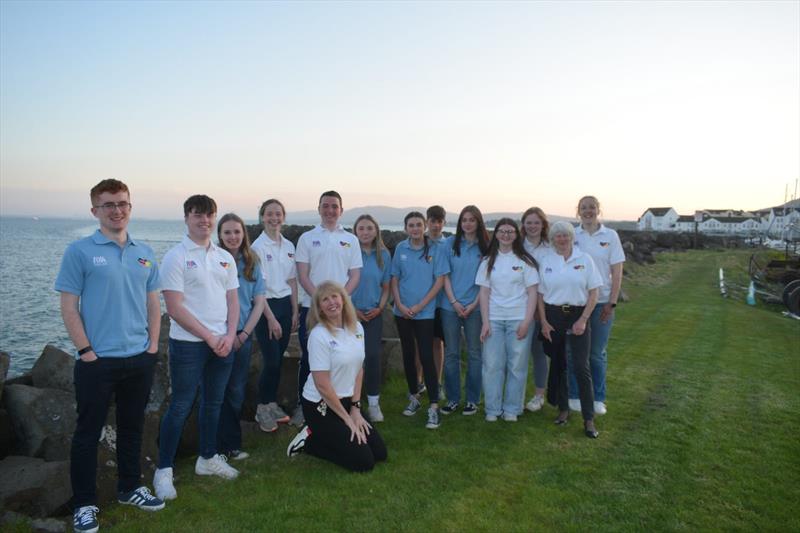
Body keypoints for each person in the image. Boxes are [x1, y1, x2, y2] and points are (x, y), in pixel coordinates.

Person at [56, 179, 164, 533]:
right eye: (108, 205)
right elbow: (69, 307)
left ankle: (130, 488)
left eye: (122, 203)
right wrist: (86, 351)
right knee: (87, 434)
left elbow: (153, 302)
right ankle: (85, 505)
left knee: (133, 428)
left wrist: (152, 347)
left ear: (130, 207)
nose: (117, 210)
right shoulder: (80, 251)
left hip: (138, 358)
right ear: (95, 211)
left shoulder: (144, 251)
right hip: (97, 361)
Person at [154, 195, 241, 501]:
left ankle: (207, 458)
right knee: (181, 405)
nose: (204, 220)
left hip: (223, 343)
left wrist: (230, 335)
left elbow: (232, 300)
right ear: (187, 218)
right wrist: (209, 336)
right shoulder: (175, 257)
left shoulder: (224, 257)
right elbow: (175, 308)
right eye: (198, 215)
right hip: (189, 345)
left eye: (209, 215)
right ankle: (163, 470)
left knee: (213, 403)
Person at [286, 282, 387, 471]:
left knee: (380, 453)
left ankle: (329, 433)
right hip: (321, 405)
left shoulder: (357, 328)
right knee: (364, 462)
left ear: (343, 299)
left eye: (334, 296)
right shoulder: (318, 336)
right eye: (325, 299)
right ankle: (309, 441)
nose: (331, 302)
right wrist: (347, 420)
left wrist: (355, 409)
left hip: (347, 400)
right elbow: (322, 385)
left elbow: (359, 369)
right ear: (320, 308)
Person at [294, 191, 362, 426]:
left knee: (344, 357)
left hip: (342, 311)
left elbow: (355, 275)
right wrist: (321, 301)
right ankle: (305, 407)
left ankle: (343, 405)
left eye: (334, 206)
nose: (330, 210)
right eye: (326, 206)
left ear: (341, 210)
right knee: (311, 359)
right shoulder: (306, 238)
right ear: (319, 208)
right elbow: (303, 275)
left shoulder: (351, 240)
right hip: (311, 309)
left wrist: (337, 301)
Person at [538, 221, 602, 438]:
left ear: (572, 237)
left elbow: (594, 292)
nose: (562, 239)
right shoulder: (547, 261)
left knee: (581, 367)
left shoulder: (585, 259)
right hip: (553, 315)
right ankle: (563, 409)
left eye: (566, 235)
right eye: (558, 236)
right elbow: (539, 294)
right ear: (553, 239)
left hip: (578, 315)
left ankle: (589, 418)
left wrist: (583, 319)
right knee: (559, 364)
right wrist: (544, 322)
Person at [476, 218, 539, 422]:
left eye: (510, 231)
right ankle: (493, 409)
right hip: (494, 319)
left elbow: (532, 293)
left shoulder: (525, 261)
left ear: (516, 234)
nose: (506, 235)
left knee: (517, 366)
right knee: (492, 365)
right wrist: (485, 322)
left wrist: (527, 321)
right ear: (495, 234)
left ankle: (512, 408)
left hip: (518, 319)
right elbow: (484, 293)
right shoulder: (488, 261)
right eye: (502, 231)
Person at [568, 196, 625, 416]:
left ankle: (598, 398)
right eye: (584, 208)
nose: (588, 211)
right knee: (574, 353)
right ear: (578, 211)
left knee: (596, 353)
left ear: (598, 210)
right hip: (576, 303)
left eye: (592, 207)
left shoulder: (610, 236)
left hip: (601, 303)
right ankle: (574, 395)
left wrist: (612, 301)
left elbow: (617, 271)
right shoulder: (573, 235)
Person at [391, 211, 449, 429]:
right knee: (408, 355)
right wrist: (401, 305)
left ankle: (433, 406)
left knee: (426, 356)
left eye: (418, 225)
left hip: (424, 313)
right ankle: (414, 396)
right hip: (402, 312)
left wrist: (419, 306)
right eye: (411, 225)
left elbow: (440, 281)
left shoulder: (435, 249)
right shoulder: (400, 248)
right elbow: (394, 278)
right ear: (406, 228)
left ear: (424, 227)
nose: (415, 228)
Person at [216, 213, 267, 460]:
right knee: (214, 391)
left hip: (242, 336)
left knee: (236, 391)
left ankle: (231, 445)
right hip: (216, 336)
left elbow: (258, 302)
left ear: (243, 234)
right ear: (220, 235)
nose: (232, 236)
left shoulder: (252, 262)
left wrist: (245, 334)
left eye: (237, 231)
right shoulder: (213, 259)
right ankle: (212, 447)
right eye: (227, 232)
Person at [251, 199, 297, 432]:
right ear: (262, 217)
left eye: (278, 214)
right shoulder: (257, 248)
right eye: (269, 214)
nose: (274, 218)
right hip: (265, 308)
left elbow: (292, 280)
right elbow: (259, 288)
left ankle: (271, 403)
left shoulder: (289, 245)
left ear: (283, 217)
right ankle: (262, 408)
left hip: (285, 306)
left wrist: (295, 309)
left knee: (278, 360)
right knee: (270, 360)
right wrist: (270, 318)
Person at [439, 205, 489, 416]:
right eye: (464, 220)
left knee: (475, 354)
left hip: (475, 308)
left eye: (472, 220)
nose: (468, 223)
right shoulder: (450, 244)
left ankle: (472, 399)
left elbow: (486, 281)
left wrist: (473, 304)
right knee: (451, 353)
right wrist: (454, 302)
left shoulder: (486, 247)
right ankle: (452, 399)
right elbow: (445, 275)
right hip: (450, 307)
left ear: (478, 222)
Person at [351, 214, 391, 422]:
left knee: (373, 356)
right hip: (349, 314)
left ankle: (373, 403)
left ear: (376, 231)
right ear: (355, 232)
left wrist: (380, 307)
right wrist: (351, 309)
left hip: (373, 314)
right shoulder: (348, 252)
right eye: (361, 229)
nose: (365, 232)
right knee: (350, 358)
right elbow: (340, 285)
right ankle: (349, 402)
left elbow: (386, 287)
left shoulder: (383, 255)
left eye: (369, 228)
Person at [520, 207, 553, 413]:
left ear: (543, 225)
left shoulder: (551, 247)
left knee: (539, 353)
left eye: (536, 222)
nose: (532, 226)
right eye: (528, 222)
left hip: (543, 307)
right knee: (518, 355)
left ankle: (539, 395)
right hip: (519, 307)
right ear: (523, 225)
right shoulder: (517, 246)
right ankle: (516, 395)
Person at [426, 205, 447, 396]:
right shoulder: (419, 242)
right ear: (427, 221)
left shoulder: (448, 245)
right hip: (421, 303)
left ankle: (437, 382)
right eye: (432, 221)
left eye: (439, 221)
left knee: (437, 343)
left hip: (441, 303)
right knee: (420, 344)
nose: (436, 225)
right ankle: (418, 382)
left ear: (444, 223)